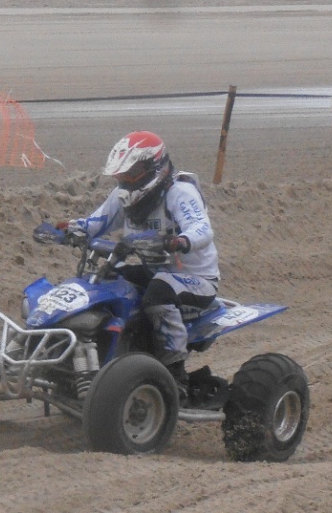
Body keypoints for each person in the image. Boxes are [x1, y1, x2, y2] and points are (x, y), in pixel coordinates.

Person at [58, 131, 220, 387]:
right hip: (155, 272)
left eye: (130, 175)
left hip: (196, 279)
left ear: (154, 168)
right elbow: (95, 223)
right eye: (121, 177)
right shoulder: (123, 197)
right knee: (107, 281)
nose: (125, 182)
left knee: (158, 294)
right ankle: (108, 353)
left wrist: (179, 241)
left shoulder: (180, 192)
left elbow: (202, 229)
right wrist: (67, 229)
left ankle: (173, 373)